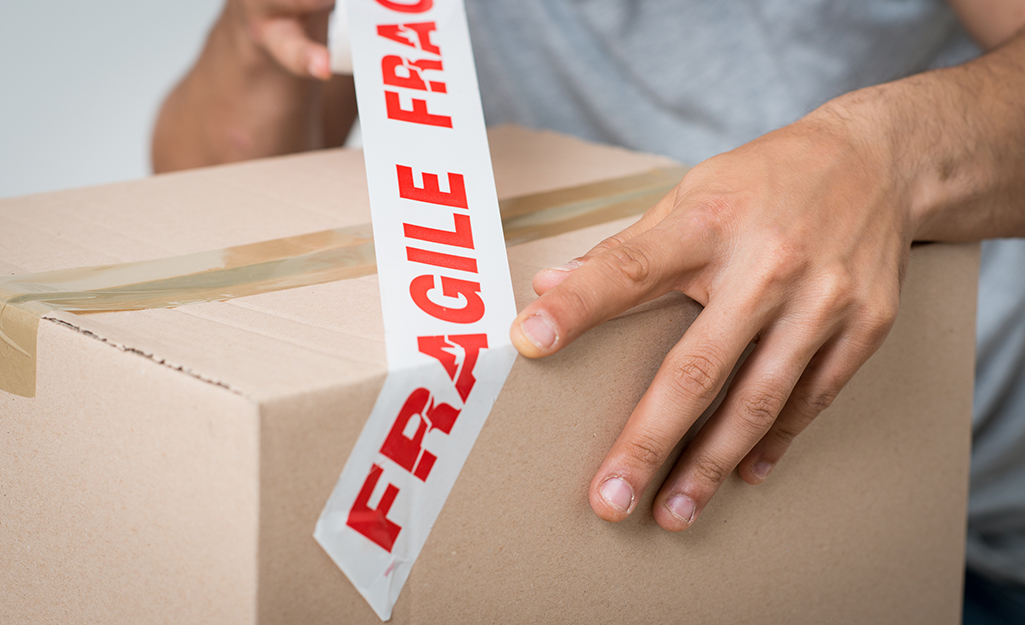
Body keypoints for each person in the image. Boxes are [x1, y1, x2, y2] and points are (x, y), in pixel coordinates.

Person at [153, 1, 1025, 621]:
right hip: (578, 538)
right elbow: (204, 227)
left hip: (960, 515)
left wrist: (887, 156)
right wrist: (250, 31)